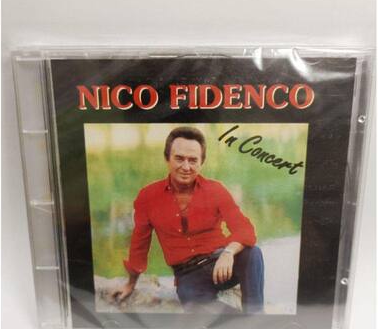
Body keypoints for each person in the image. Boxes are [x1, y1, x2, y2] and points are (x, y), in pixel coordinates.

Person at [112, 126, 264, 313]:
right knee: (207, 312)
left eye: (193, 160)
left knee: (252, 253)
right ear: (167, 158)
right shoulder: (148, 196)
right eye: (179, 158)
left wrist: (228, 253)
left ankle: (255, 314)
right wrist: (131, 283)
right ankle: (248, 323)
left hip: (220, 263)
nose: (186, 167)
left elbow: (245, 229)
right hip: (188, 277)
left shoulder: (215, 190)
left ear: (201, 162)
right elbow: (139, 245)